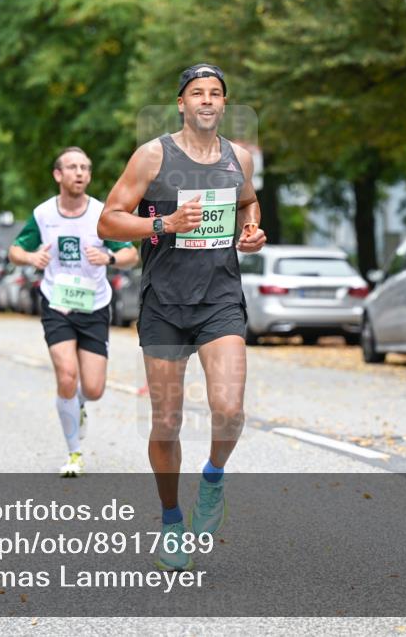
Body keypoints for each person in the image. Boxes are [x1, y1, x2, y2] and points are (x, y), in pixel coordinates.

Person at [97, 64, 266, 570]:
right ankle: (171, 517)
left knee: (230, 409)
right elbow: (108, 219)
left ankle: (213, 477)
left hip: (219, 298)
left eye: (216, 94)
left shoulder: (240, 157)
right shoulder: (154, 155)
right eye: (198, 94)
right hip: (165, 304)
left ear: (223, 103)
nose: (208, 101)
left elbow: (249, 204)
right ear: (182, 103)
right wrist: (163, 222)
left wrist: (253, 230)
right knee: (167, 422)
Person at [10, 146, 139, 477]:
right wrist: (30, 258)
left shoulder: (101, 214)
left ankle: (78, 404)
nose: (80, 173)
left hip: (94, 305)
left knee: (93, 389)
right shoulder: (42, 215)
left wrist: (109, 259)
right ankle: (74, 453)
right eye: (73, 167)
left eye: (85, 167)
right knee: (67, 375)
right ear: (58, 175)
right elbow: (15, 250)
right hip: (57, 304)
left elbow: (131, 255)